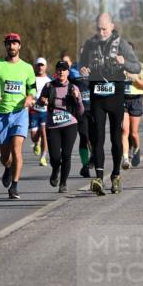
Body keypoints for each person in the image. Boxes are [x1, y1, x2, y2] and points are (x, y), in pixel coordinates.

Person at [78, 13, 140, 195]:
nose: (101, 32)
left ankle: (116, 175)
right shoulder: (90, 44)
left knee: (115, 136)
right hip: (97, 95)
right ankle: (98, 178)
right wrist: (83, 69)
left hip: (115, 95)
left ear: (112, 26)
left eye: (104, 28)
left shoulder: (122, 44)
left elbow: (136, 67)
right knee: (97, 137)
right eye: (98, 29)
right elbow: (81, 65)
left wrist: (124, 61)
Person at [0, 32, 36, 200]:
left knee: (17, 149)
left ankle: (15, 186)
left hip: (20, 113)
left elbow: (32, 88)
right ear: (5, 46)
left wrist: (30, 97)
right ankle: (8, 167)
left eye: (15, 43)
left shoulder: (27, 67)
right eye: (9, 43)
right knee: (5, 156)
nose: (12, 46)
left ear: (19, 46)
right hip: (1, 114)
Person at [38, 59, 84, 192]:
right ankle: (55, 169)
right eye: (59, 70)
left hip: (70, 124)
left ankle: (63, 183)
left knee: (66, 154)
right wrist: (42, 101)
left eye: (64, 70)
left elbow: (81, 111)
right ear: (56, 71)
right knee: (55, 157)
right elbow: (39, 102)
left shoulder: (73, 88)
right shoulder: (49, 86)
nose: (61, 72)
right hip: (53, 125)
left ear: (68, 72)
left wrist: (77, 98)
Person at [122, 51, 143, 169]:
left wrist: (135, 79)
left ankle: (136, 149)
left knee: (133, 133)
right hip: (122, 100)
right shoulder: (118, 67)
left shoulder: (140, 67)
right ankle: (125, 158)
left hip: (136, 100)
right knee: (124, 130)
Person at [29, 57, 50, 166]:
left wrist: (47, 101)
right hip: (34, 110)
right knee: (34, 136)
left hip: (45, 111)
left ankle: (43, 157)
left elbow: (52, 95)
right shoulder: (31, 79)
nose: (40, 67)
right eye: (38, 65)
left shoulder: (49, 80)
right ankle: (37, 142)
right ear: (35, 67)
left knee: (44, 133)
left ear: (45, 67)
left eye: (42, 65)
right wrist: (30, 100)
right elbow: (27, 92)